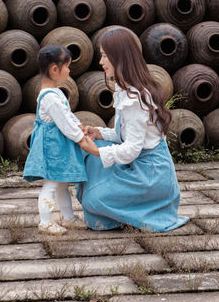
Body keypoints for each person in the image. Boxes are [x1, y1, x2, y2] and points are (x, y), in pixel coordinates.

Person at [77, 27, 189, 232]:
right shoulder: (125, 90)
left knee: (94, 196)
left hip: (150, 176)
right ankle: (121, 209)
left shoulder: (136, 99)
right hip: (138, 166)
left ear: (120, 57)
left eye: (104, 56)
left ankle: (144, 210)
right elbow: (124, 135)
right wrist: (99, 133)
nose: (101, 62)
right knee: (94, 150)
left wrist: (96, 150)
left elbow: (131, 150)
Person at [23, 45, 90, 235]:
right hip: (52, 147)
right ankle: (45, 221)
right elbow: (63, 123)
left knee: (62, 183)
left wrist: (79, 125)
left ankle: (68, 218)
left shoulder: (57, 93)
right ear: (54, 69)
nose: (69, 71)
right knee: (51, 184)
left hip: (60, 146)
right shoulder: (49, 98)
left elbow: (68, 116)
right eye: (67, 66)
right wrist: (80, 137)